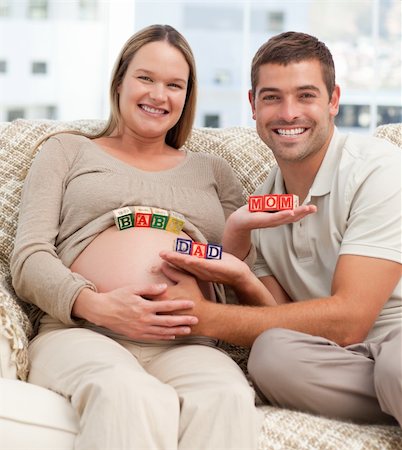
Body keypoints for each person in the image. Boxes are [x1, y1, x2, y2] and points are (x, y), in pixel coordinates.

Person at [10, 24, 265, 449]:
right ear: (120, 82)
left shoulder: (214, 171)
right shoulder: (68, 150)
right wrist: (98, 305)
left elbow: (230, 276)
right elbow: (29, 257)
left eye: (174, 85)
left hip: (187, 344)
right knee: (125, 392)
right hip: (83, 334)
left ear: (187, 97)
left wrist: (237, 235)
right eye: (145, 78)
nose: (158, 95)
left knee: (229, 397)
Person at [158, 31, 402, 426]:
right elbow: (283, 320)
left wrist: (204, 316)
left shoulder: (379, 169)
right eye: (272, 97)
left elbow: (350, 318)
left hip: (396, 339)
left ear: (333, 100)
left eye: (306, 95)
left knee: (396, 367)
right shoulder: (258, 209)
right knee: (271, 354)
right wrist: (241, 270)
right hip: (342, 360)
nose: (289, 113)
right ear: (253, 105)